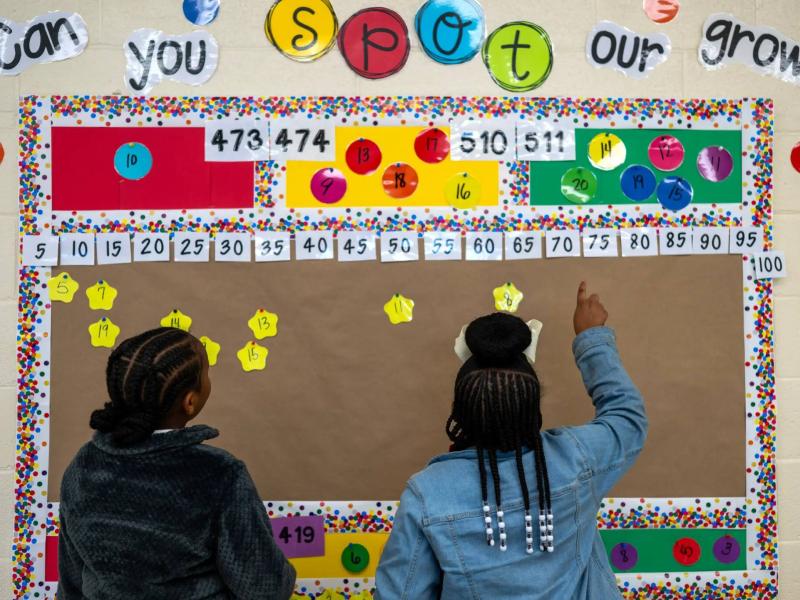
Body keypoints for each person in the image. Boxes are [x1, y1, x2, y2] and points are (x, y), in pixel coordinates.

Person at [375, 282, 647, 599]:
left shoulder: (428, 494)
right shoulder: (577, 459)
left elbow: (400, 594)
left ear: (460, 413)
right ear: (531, 408)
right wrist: (591, 338)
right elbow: (627, 416)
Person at [57, 327, 296, 600]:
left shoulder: (82, 467)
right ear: (190, 402)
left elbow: (71, 583)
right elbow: (264, 588)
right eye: (206, 374)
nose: (208, 380)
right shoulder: (220, 474)